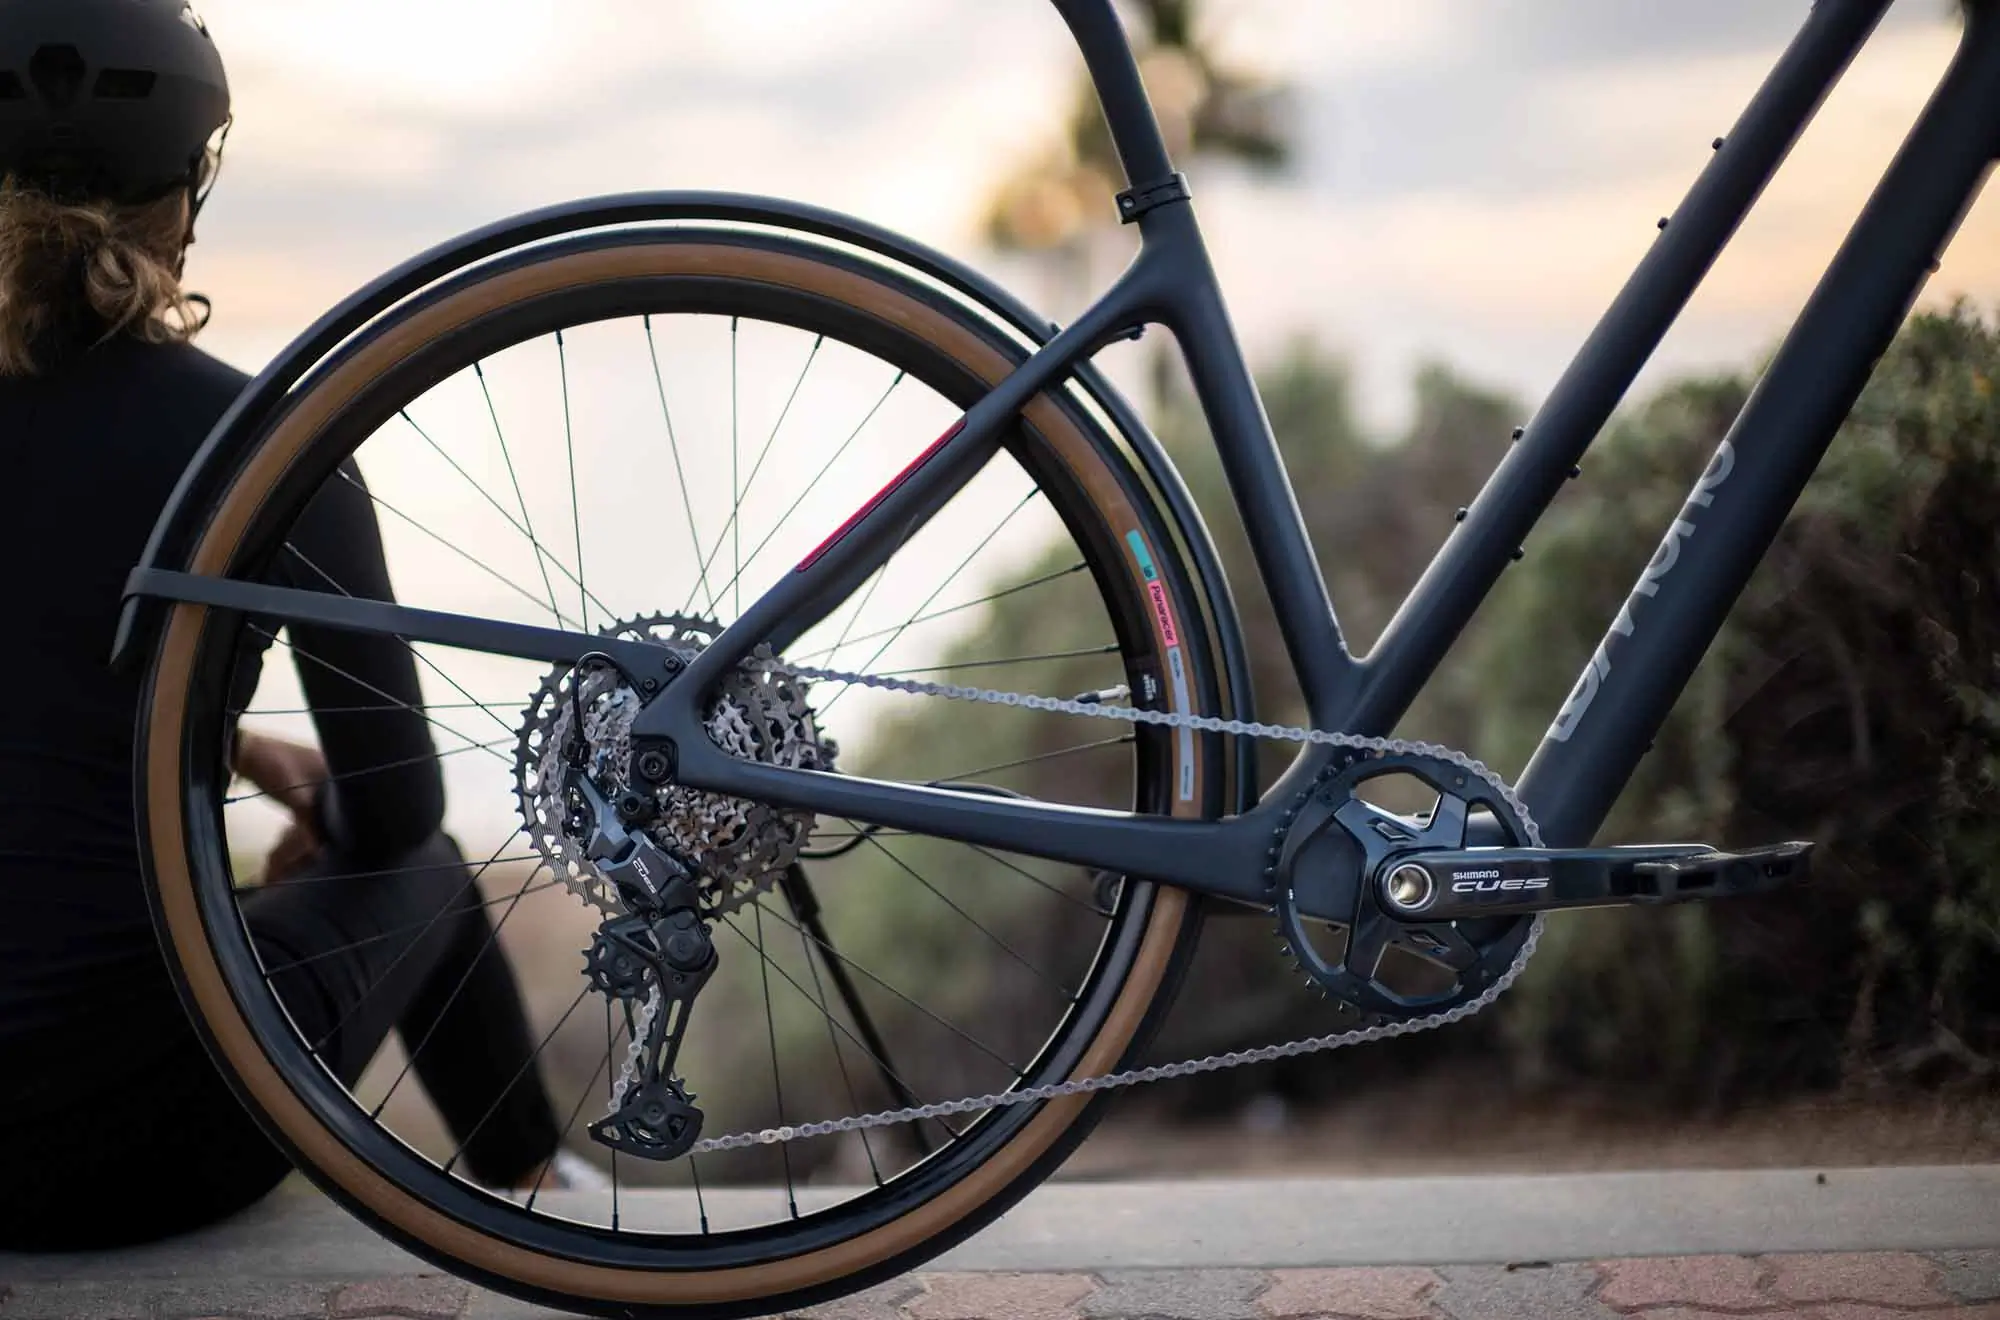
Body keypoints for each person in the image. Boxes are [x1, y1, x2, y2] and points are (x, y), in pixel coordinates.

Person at [0, 0, 582, 1251]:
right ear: (183, 193)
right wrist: (305, 795)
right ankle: (543, 1193)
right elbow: (397, 808)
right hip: (155, 1145)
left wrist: (236, 751)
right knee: (427, 874)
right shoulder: (257, 438)